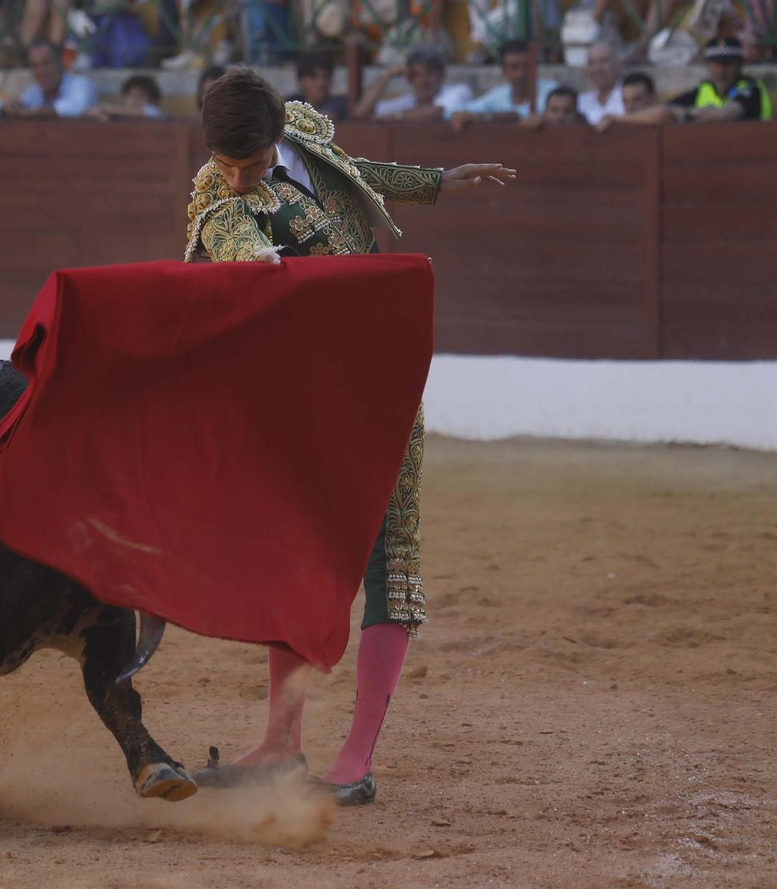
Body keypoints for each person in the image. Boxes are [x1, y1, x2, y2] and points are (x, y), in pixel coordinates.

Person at [184, 68, 516, 806]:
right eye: (226, 164)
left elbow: (358, 175)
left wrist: (437, 181)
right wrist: (260, 264)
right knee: (297, 559)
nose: (237, 177)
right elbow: (230, 236)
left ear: (278, 136)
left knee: (388, 560)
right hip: (304, 400)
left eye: (251, 163)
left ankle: (355, 756)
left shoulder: (302, 138)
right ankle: (279, 743)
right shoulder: (217, 195)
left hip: (383, 386)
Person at [597, 37, 769, 127]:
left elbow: (725, 114)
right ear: (708, 66)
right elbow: (664, 111)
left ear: (739, 66)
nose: (721, 71)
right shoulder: (704, 89)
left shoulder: (751, 88)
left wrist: (685, 114)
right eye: (715, 64)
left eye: (727, 64)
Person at [449, 39, 559, 130]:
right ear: (504, 71)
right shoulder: (499, 94)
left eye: (527, 67)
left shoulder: (551, 91)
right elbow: (454, 111)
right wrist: (460, 115)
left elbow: (521, 114)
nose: (521, 74)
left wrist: (483, 117)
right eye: (515, 67)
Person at [352, 47, 473, 122]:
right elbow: (361, 113)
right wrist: (386, 76)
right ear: (409, 78)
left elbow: (437, 112)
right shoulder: (407, 102)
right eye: (416, 75)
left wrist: (396, 117)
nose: (423, 80)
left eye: (429, 73)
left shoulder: (459, 91)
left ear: (441, 75)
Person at [0, 40, 97, 120]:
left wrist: (35, 112)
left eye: (46, 64)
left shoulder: (80, 84)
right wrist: (5, 109)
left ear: (60, 63)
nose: (41, 71)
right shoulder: (34, 92)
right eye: (35, 66)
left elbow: (78, 107)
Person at [288, 53, 349, 121]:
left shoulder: (339, 104)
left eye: (326, 77)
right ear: (301, 81)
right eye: (314, 78)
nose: (321, 83)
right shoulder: (291, 102)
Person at [576, 41, 624, 125]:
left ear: (618, 65)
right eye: (591, 63)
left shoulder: (632, 97)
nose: (597, 68)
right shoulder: (581, 101)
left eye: (603, 61)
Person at [88, 74, 166, 120]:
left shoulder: (155, 112)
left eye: (140, 96)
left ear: (153, 100)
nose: (134, 100)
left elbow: (145, 112)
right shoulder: (119, 115)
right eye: (129, 95)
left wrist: (109, 110)